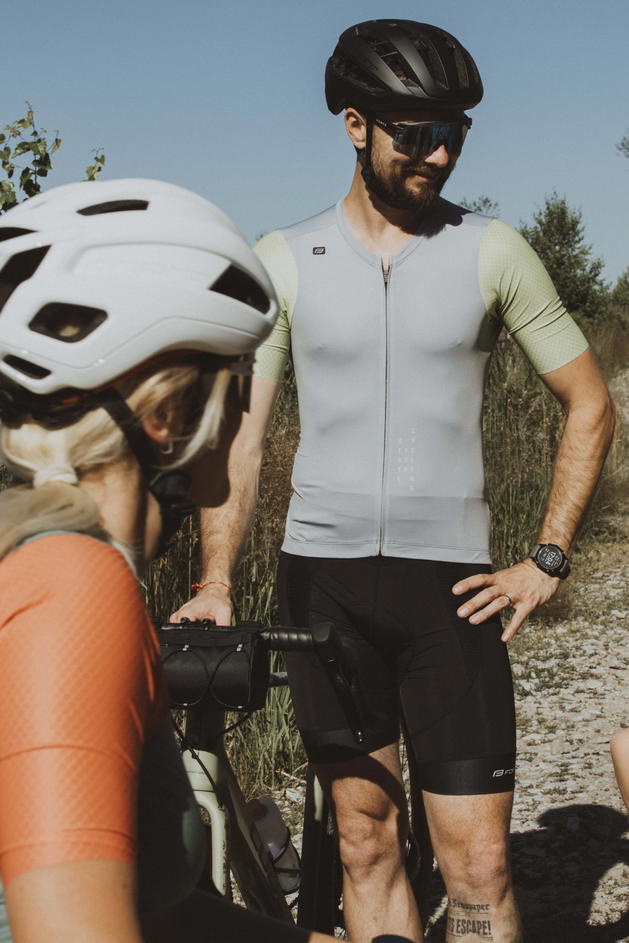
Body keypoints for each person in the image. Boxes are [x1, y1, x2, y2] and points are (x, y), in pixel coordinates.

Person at [173, 19, 615, 943]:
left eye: (452, 133)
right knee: (366, 843)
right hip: (322, 584)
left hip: (449, 591)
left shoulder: (491, 251)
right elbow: (243, 438)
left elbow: (587, 401)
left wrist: (546, 557)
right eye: (414, 135)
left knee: (479, 867)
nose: (438, 154)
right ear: (354, 126)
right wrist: (215, 581)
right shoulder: (284, 258)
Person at [0, 177, 345, 943]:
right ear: (166, 415)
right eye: (236, 383)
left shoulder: (49, 561)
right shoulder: (73, 584)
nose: (248, 413)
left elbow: (159, 916)